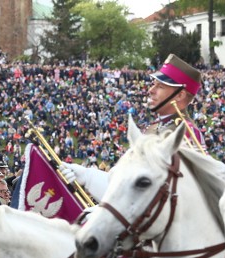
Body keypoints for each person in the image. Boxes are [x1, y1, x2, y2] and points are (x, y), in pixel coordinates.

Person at [59, 53, 204, 199]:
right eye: (153, 84)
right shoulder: (156, 127)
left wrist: (90, 178)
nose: (150, 90)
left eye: (160, 86)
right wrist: (88, 176)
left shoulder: (185, 134)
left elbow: (165, 197)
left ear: (180, 96)